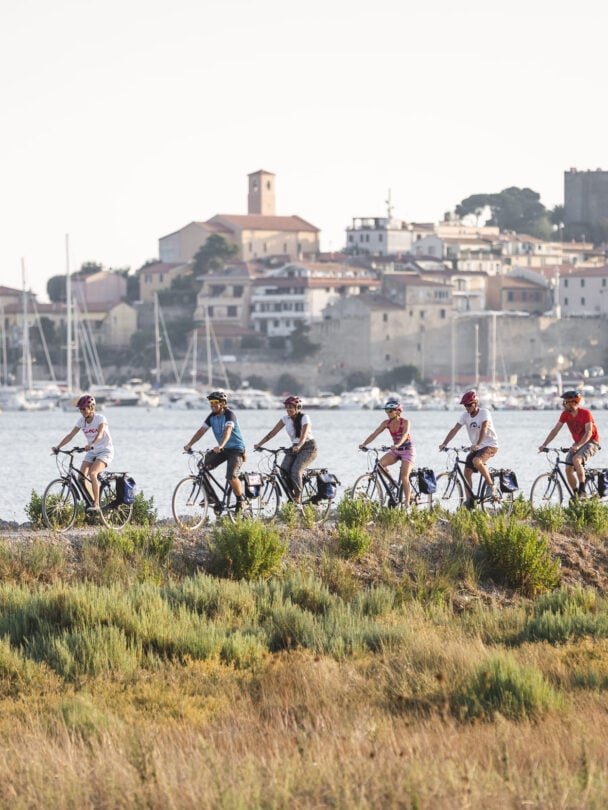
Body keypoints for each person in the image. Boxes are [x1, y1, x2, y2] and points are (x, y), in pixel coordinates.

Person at [183, 390, 248, 512]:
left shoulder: (229, 415)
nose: (212, 405)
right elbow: (201, 431)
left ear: (223, 403)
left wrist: (221, 445)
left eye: (215, 402)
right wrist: (190, 444)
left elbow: (228, 431)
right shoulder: (211, 417)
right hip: (223, 449)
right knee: (202, 466)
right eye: (211, 402)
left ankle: (240, 500)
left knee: (231, 476)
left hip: (236, 449)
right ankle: (211, 497)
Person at [51, 394, 114, 512]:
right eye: (80, 409)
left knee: (93, 473)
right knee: (81, 478)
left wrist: (93, 444)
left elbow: (100, 434)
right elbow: (70, 435)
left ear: (92, 408)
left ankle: (97, 504)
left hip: (105, 450)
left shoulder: (101, 419)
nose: (82, 411)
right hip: (92, 451)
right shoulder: (81, 421)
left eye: (84, 408)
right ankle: (91, 501)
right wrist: (58, 447)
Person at [438, 390, 500, 506]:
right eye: (465, 405)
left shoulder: (484, 413)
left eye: (469, 405)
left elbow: (484, 428)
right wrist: (444, 443)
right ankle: (469, 500)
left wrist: (477, 443)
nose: (467, 407)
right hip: (476, 447)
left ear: (475, 403)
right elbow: (455, 429)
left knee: (477, 461)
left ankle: (491, 486)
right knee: (467, 471)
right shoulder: (465, 416)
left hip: (490, 445)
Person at [254, 395, 318, 503]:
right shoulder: (285, 419)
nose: (288, 410)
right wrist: (259, 444)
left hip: (308, 447)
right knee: (283, 470)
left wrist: (299, 446)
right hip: (294, 447)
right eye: (287, 407)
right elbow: (272, 433)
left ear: (297, 408)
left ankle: (298, 497)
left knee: (296, 470)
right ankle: (292, 497)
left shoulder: (304, 417)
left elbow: (304, 434)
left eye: (291, 407)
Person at [538, 389, 600, 498]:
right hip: (577, 443)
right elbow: (555, 430)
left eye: (566, 402)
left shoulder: (585, 413)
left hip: (591, 442)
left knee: (576, 459)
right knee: (568, 468)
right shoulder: (565, 414)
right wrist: (544, 444)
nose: (564, 404)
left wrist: (577, 446)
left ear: (573, 402)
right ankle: (576, 495)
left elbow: (589, 432)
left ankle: (582, 490)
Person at [358, 398, 416, 508]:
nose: (388, 413)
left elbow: (404, 435)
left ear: (397, 411)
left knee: (404, 476)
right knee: (380, 464)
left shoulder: (405, 422)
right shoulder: (386, 423)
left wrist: (398, 444)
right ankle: (392, 481)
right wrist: (364, 444)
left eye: (390, 410)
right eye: (386, 411)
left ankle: (407, 503)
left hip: (408, 451)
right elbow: (375, 434)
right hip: (396, 450)